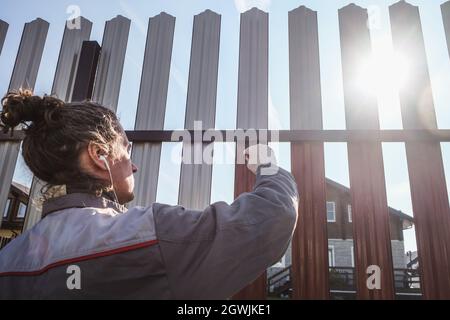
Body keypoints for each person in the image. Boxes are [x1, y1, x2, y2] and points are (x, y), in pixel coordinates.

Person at [0, 90, 298, 299]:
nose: (135, 165)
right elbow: (273, 217)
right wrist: (267, 164)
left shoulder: (9, 259)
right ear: (98, 154)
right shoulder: (147, 234)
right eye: (126, 150)